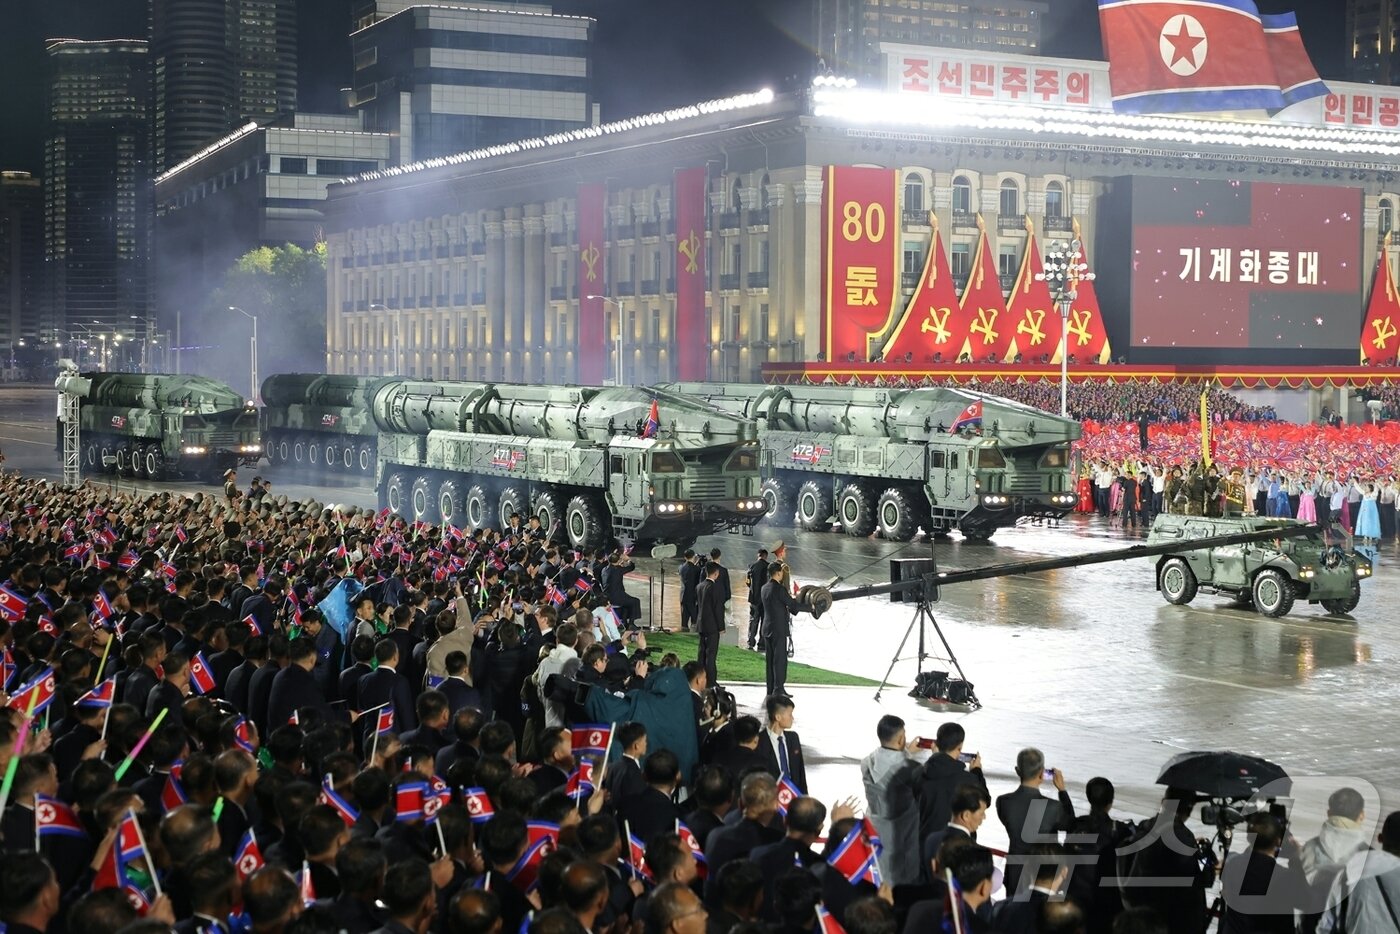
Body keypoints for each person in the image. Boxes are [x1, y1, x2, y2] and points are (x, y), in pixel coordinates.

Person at [996, 748, 1074, 897]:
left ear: (1017, 771)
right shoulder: (1054, 807)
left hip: (1015, 873)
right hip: (1045, 875)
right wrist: (1062, 791)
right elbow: (1071, 826)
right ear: (1042, 773)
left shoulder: (1003, 802)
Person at [860, 714, 924, 886]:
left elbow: (888, 766)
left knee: (877, 881)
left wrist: (907, 751)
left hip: (874, 830)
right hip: (901, 836)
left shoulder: (866, 762)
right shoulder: (912, 769)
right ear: (901, 738)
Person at [759, 561, 805, 697]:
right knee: (779, 661)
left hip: (767, 628)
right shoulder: (779, 589)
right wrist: (810, 608)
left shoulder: (764, 588)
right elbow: (792, 605)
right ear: (778, 573)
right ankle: (779, 689)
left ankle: (771, 688)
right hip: (778, 629)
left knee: (770, 660)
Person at [758, 694, 808, 794]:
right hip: (771, 799)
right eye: (790, 715)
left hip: (794, 798)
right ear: (778, 717)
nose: (792, 718)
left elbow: (800, 772)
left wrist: (804, 796)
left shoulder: (793, 738)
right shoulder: (760, 741)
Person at [695, 562, 725, 688]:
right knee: (711, 655)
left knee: (701, 654)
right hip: (712, 626)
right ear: (716, 573)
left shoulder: (700, 586)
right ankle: (711, 682)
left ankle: (699, 679)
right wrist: (721, 627)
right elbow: (718, 609)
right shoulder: (715, 587)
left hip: (701, 624)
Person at [745, 547, 769, 652]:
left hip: (754, 599)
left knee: (753, 621)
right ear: (766, 556)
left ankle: (750, 642)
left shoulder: (751, 566)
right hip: (765, 600)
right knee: (764, 622)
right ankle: (761, 644)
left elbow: (747, 582)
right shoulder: (768, 567)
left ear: (758, 555)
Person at [678, 550, 701, 633]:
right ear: (693, 557)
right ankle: (694, 632)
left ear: (685, 557)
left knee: (684, 617)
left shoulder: (681, 567)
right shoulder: (697, 569)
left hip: (684, 595)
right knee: (694, 617)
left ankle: (684, 632)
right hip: (693, 597)